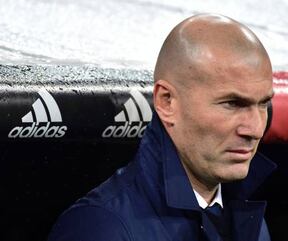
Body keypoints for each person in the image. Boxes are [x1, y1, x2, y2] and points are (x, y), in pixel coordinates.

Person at [47, 13, 276, 241]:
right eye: (232, 104)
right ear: (167, 102)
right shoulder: (103, 228)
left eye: (263, 104)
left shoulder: (249, 222)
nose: (255, 129)